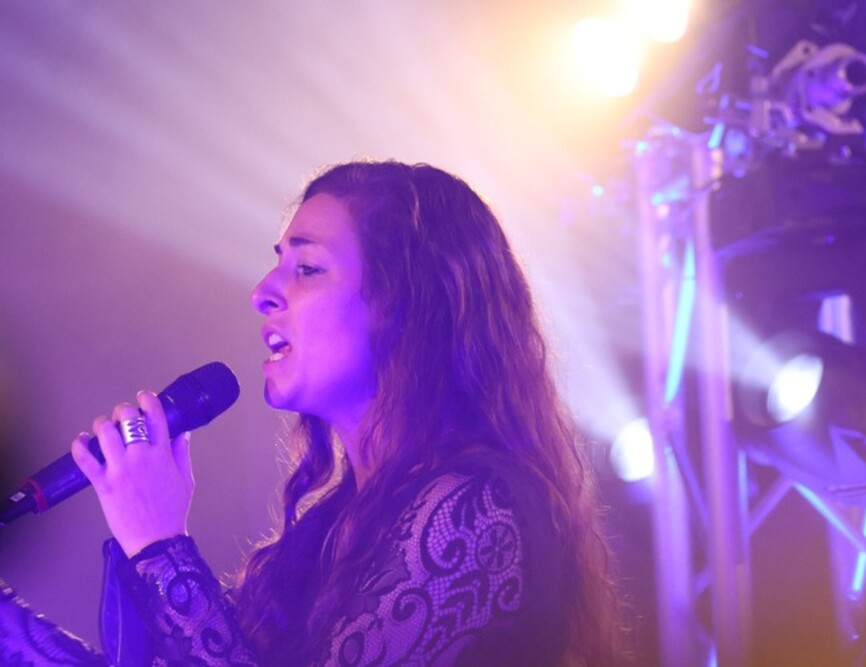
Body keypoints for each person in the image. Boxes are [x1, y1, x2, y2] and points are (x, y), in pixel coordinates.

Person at [0, 160, 621, 665]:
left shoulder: (475, 511)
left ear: (405, 305)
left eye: (307, 268)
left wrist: (160, 545)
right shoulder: (328, 534)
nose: (262, 292)